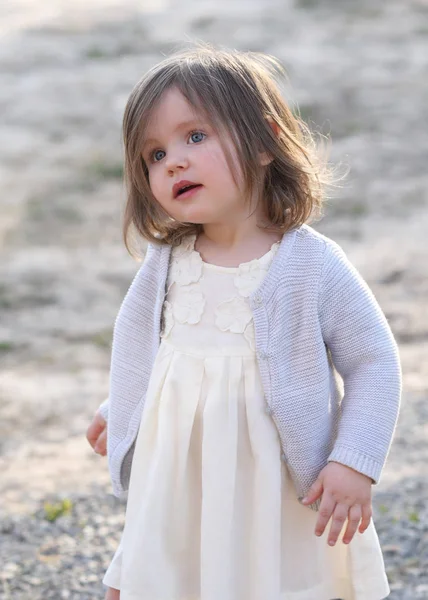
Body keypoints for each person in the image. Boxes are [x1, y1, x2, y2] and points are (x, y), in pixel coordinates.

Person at [86, 44, 402, 600]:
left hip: (275, 491)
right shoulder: (166, 265)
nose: (174, 161)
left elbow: (375, 362)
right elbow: (151, 356)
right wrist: (124, 407)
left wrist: (355, 462)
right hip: (183, 481)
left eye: (195, 136)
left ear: (266, 141)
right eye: (153, 155)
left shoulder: (310, 264)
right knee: (158, 575)